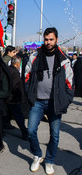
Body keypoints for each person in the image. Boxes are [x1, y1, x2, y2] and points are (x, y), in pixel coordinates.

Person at [25, 28, 74, 175]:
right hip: (38, 101)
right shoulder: (35, 56)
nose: (48, 42)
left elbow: (70, 82)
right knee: (31, 130)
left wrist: (66, 100)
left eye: (51, 39)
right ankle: (37, 155)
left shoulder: (64, 58)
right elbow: (26, 76)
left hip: (55, 103)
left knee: (55, 134)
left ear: (56, 40)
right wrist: (29, 94)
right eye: (46, 39)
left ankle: (50, 160)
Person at [7, 55, 28, 140]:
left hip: (9, 97)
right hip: (13, 98)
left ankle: (5, 126)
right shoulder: (15, 72)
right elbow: (15, 86)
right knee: (19, 116)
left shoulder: (8, 69)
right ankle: (24, 132)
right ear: (17, 63)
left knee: (8, 114)